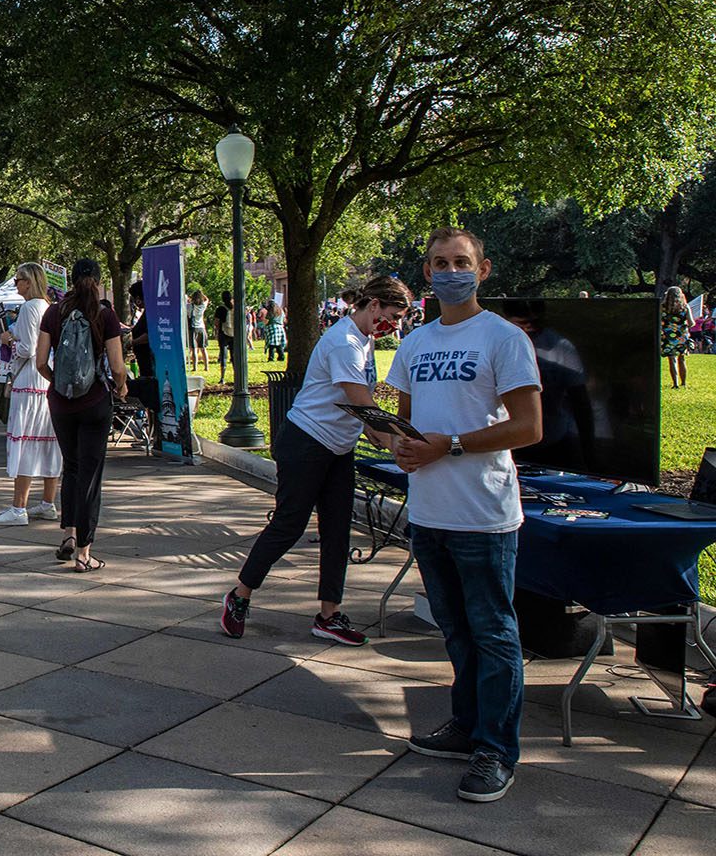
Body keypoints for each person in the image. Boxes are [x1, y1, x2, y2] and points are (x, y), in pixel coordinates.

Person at [389, 226, 542, 804]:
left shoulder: (503, 338)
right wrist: (397, 444)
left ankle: (496, 749)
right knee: (454, 629)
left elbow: (528, 426)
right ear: (426, 273)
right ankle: (466, 725)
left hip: (483, 513)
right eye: (439, 262)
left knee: (494, 633)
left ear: (482, 270)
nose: (450, 271)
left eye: (461, 261)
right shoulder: (416, 343)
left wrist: (447, 445)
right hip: (429, 512)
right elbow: (405, 422)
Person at [221, 276, 412, 646]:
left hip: (338, 448)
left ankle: (329, 615)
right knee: (289, 524)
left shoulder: (364, 340)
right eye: (391, 317)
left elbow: (355, 406)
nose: (393, 327)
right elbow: (360, 399)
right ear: (373, 305)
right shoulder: (343, 341)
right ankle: (240, 594)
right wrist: (398, 441)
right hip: (306, 443)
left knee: (338, 530)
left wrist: (372, 431)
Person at [36, 258, 128, 573]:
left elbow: (40, 362)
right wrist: (121, 386)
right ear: (99, 281)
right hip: (95, 403)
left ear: (71, 281)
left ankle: (69, 535)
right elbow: (117, 366)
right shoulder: (106, 314)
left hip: (60, 403)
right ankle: (85, 554)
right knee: (92, 476)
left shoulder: (53, 312)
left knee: (71, 468)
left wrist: (59, 383)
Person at [0, 263, 61, 526]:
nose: (16, 284)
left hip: (30, 380)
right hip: (45, 381)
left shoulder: (31, 307)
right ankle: (47, 502)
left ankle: (19, 507)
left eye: (18, 280)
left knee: (26, 442)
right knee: (47, 441)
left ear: (29, 282)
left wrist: (8, 339)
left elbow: (28, 348)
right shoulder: (47, 306)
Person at [661, 286, 693, 389]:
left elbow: (658, 320)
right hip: (682, 335)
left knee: (672, 359)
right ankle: (684, 383)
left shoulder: (663, 307)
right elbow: (691, 323)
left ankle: (675, 384)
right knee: (682, 359)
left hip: (668, 335)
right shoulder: (685, 306)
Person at [214, 290, 235, 383]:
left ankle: (222, 378)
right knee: (234, 356)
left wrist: (216, 331)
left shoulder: (220, 308)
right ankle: (237, 376)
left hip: (223, 333)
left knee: (223, 355)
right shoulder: (235, 308)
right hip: (234, 334)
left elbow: (216, 322)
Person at [188, 289, 211, 372]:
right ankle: (206, 366)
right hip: (201, 327)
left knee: (194, 348)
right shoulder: (203, 306)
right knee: (203, 348)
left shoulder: (190, 306)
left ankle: (195, 367)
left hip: (193, 328)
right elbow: (207, 299)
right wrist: (202, 293)